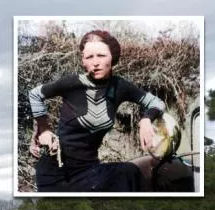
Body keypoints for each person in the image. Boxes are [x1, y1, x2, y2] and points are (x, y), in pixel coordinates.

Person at [27, 30, 166, 193]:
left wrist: (146, 119)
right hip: (56, 175)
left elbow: (156, 102)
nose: (95, 62)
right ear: (83, 61)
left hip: (89, 170)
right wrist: (44, 129)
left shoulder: (120, 87)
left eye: (101, 55)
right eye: (89, 57)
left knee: (129, 172)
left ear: (112, 57)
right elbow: (35, 94)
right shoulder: (72, 84)